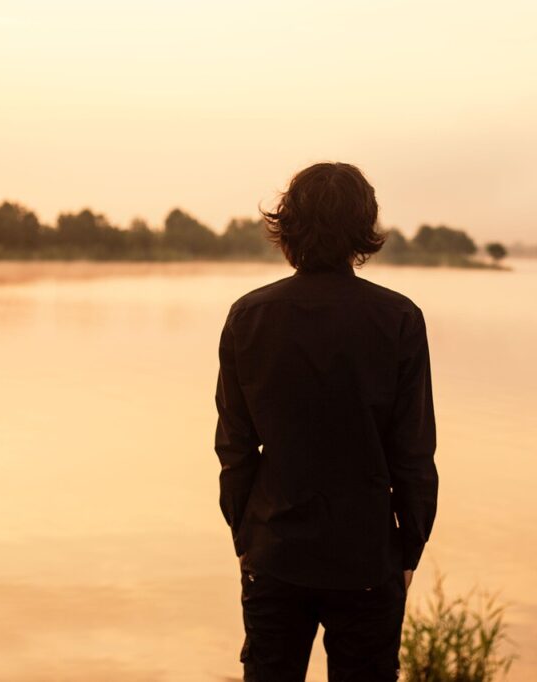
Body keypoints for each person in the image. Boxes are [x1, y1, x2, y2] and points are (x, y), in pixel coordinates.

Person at [214, 162, 438, 681]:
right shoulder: (398, 318)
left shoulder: (249, 316)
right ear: (364, 228)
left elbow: (235, 448)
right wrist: (408, 547)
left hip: (274, 552)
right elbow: (413, 454)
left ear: (288, 225)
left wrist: (247, 538)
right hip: (366, 558)